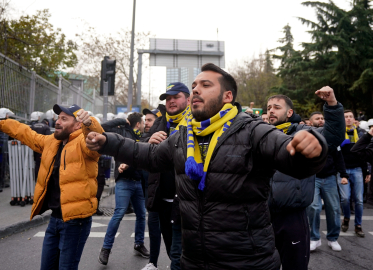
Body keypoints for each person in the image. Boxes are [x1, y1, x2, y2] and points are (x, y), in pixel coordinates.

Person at [86, 63, 329, 270]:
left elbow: (291, 157)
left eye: (205, 85)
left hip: (247, 261)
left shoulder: (253, 130)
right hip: (194, 260)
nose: (196, 90)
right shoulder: (183, 136)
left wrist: (312, 147)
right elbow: (149, 156)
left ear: (227, 97)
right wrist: (109, 141)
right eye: (194, 87)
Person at [0, 104, 103, 269]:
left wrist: (90, 123)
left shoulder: (85, 144)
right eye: (58, 118)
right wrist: (0, 123)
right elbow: (27, 134)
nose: (58, 122)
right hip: (54, 220)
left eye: (64, 119)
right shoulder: (52, 141)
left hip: (76, 222)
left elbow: (97, 139)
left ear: (77, 124)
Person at [267, 89, 344, 269]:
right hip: (263, 216)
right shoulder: (261, 134)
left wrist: (332, 104)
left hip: (293, 216)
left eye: (276, 107)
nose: (271, 111)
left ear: (289, 113)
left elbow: (333, 136)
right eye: (269, 107)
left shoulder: (305, 131)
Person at [140, 84, 190, 270]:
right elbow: (143, 145)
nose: (171, 101)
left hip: (185, 201)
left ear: (188, 99)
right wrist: (149, 142)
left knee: (179, 256)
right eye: (168, 98)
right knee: (171, 249)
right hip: (162, 201)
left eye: (175, 97)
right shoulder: (161, 122)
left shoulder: (195, 120)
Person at [98, 112, 149, 266]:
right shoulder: (122, 132)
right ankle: (106, 248)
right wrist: (122, 120)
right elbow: (102, 128)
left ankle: (139, 244)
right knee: (119, 213)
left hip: (137, 181)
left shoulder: (142, 136)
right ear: (138, 123)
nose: (145, 124)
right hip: (124, 181)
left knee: (141, 215)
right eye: (143, 121)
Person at [307, 111, 348, 252]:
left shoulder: (332, 138)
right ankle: (314, 238)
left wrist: (343, 175)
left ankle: (332, 238)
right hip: (313, 178)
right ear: (310, 122)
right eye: (317, 118)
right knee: (313, 207)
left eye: (322, 118)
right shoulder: (308, 136)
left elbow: (339, 157)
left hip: (330, 178)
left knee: (334, 209)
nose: (321, 120)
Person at [140, 105, 164, 270]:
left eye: (150, 120)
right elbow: (136, 151)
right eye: (145, 120)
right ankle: (152, 263)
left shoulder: (167, 136)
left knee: (173, 235)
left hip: (169, 194)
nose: (146, 123)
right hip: (152, 194)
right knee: (154, 229)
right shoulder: (145, 138)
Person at [339, 110, 368, 237]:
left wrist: (368, 171)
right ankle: (346, 218)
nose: (349, 119)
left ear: (354, 119)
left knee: (359, 200)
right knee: (345, 198)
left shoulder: (361, 134)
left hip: (357, 169)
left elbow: (366, 153)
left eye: (351, 116)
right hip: (343, 170)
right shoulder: (338, 133)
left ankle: (358, 225)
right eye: (346, 117)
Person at [0, 108, 15, 189]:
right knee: (2, 166)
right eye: (7, 114)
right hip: (4, 148)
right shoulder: (6, 123)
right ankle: (1, 183)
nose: (8, 116)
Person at [29, 111, 51, 180]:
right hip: (41, 147)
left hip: (33, 146)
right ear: (46, 122)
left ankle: (34, 178)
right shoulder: (45, 127)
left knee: (34, 163)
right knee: (40, 163)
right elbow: (49, 137)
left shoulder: (33, 126)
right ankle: (41, 178)